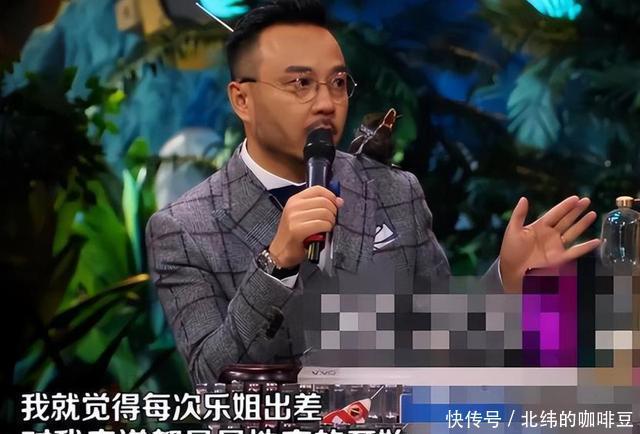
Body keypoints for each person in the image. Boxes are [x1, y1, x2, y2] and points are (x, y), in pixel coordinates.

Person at [145, 0, 600, 385]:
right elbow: (213, 380)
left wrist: (506, 282)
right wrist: (276, 264)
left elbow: (447, 342)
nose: (326, 103)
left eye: (338, 83)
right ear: (242, 99)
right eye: (301, 83)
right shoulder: (183, 228)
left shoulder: (394, 190)